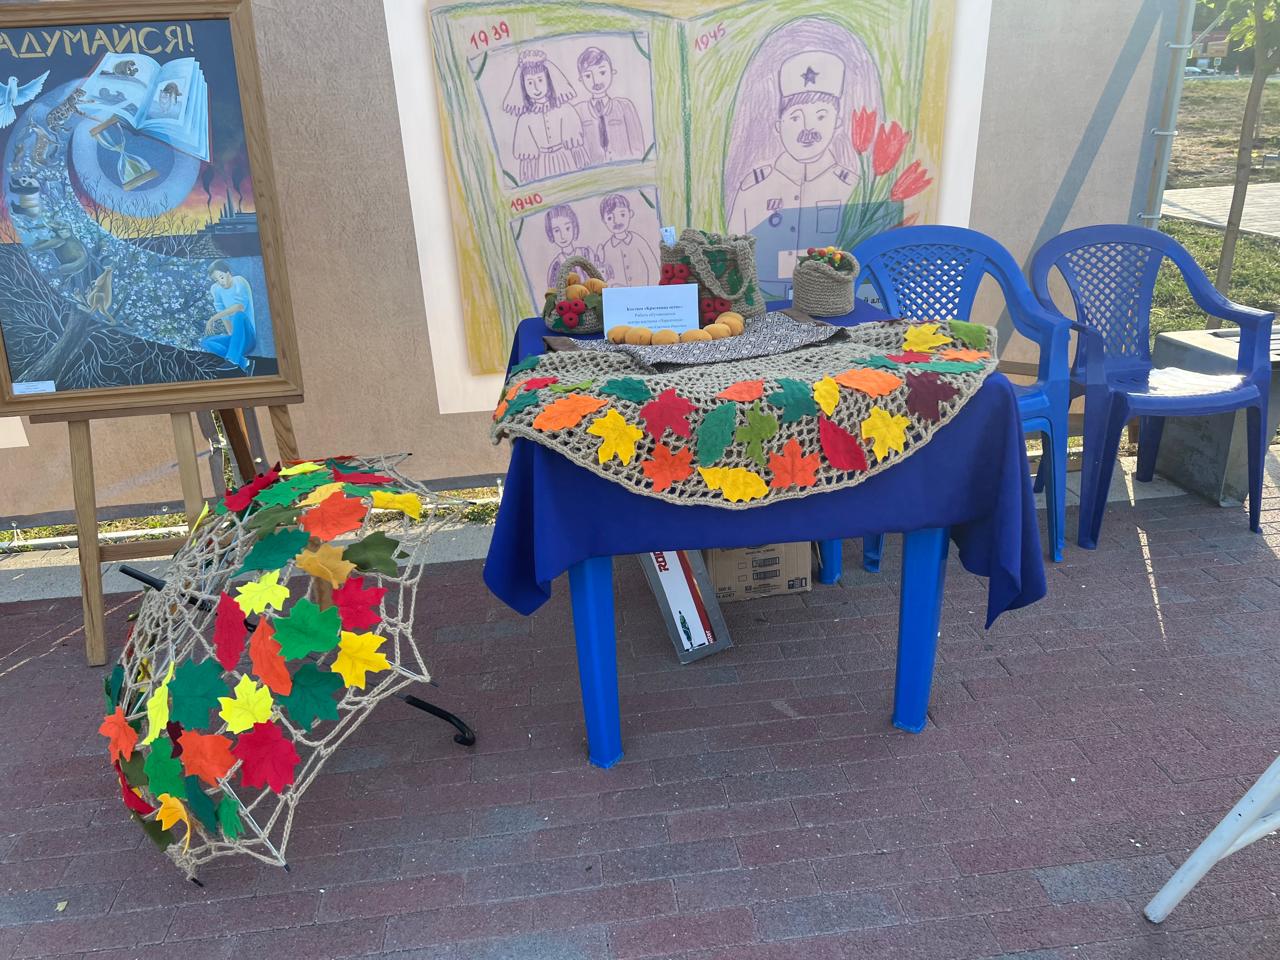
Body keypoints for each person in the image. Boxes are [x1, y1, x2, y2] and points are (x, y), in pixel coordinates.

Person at [726, 51, 856, 291]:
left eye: (821, 116)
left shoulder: (851, 187)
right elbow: (731, 255)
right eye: (796, 118)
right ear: (779, 126)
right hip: (763, 300)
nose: (808, 128)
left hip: (827, 299)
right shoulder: (753, 187)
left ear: (837, 123)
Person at [504, 49, 585, 183]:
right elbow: (527, 160)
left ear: (548, 80)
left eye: (540, 80)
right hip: (541, 166)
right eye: (530, 83)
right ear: (523, 86)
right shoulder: (524, 119)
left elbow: (577, 150)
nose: (536, 87)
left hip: (565, 160)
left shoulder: (565, 109)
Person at [574, 46, 644, 165]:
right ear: (581, 79)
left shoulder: (624, 106)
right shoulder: (578, 112)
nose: (596, 81)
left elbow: (638, 147)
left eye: (602, 72)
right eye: (588, 76)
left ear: (612, 72)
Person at [201, 259, 256, 373]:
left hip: (248, 338)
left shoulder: (239, 281)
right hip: (235, 339)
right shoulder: (216, 289)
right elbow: (223, 315)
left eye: (221, 277)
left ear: (228, 273)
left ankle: (232, 360)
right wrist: (232, 335)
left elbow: (239, 307)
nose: (220, 282)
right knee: (206, 342)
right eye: (216, 280)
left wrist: (213, 318)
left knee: (239, 315)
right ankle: (245, 363)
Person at [595, 193, 657, 285]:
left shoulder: (638, 241)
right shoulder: (606, 248)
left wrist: (652, 289)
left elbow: (652, 267)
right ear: (604, 221)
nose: (616, 221)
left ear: (630, 213)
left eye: (622, 214)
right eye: (610, 218)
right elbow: (604, 276)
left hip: (644, 291)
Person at [543, 204, 596, 288]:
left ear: (574, 227)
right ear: (551, 233)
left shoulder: (587, 253)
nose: (562, 235)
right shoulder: (556, 265)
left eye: (567, 228)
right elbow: (553, 291)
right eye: (557, 231)